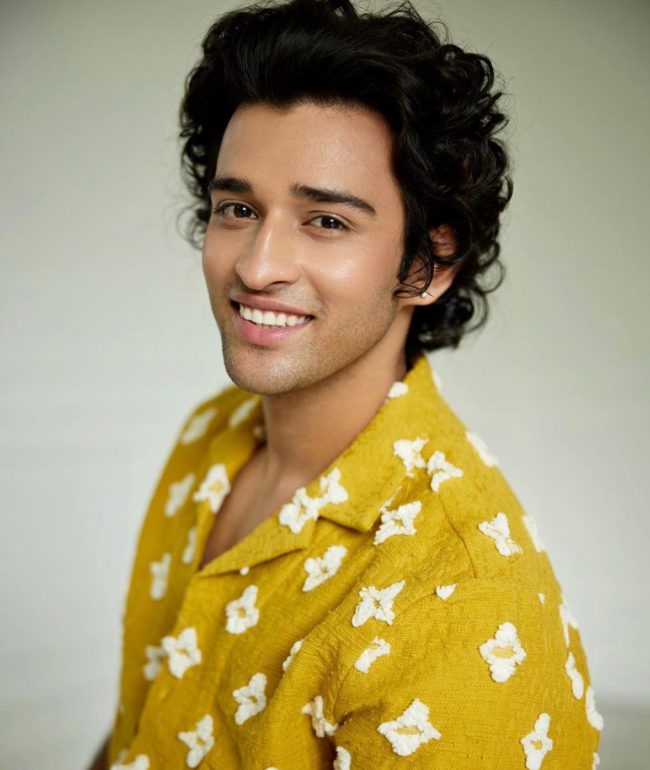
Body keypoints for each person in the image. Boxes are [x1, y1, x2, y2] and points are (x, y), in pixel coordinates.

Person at [87, 0, 603, 767]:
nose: (257, 266)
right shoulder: (210, 434)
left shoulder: (464, 598)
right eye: (238, 208)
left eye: (326, 221)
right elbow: (143, 725)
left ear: (429, 263)